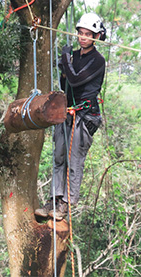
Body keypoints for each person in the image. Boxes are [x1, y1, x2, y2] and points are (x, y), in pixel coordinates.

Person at [35, 12, 106, 221]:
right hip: (67, 112)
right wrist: (65, 62)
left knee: (74, 161)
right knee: (58, 157)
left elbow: (75, 80)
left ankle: (66, 203)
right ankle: (54, 198)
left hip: (85, 116)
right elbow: (65, 83)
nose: (83, 37)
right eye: (81, 33)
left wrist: (65, 59)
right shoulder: (73, 56)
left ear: (97, 36)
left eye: (88, 34)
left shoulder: (97, 61)